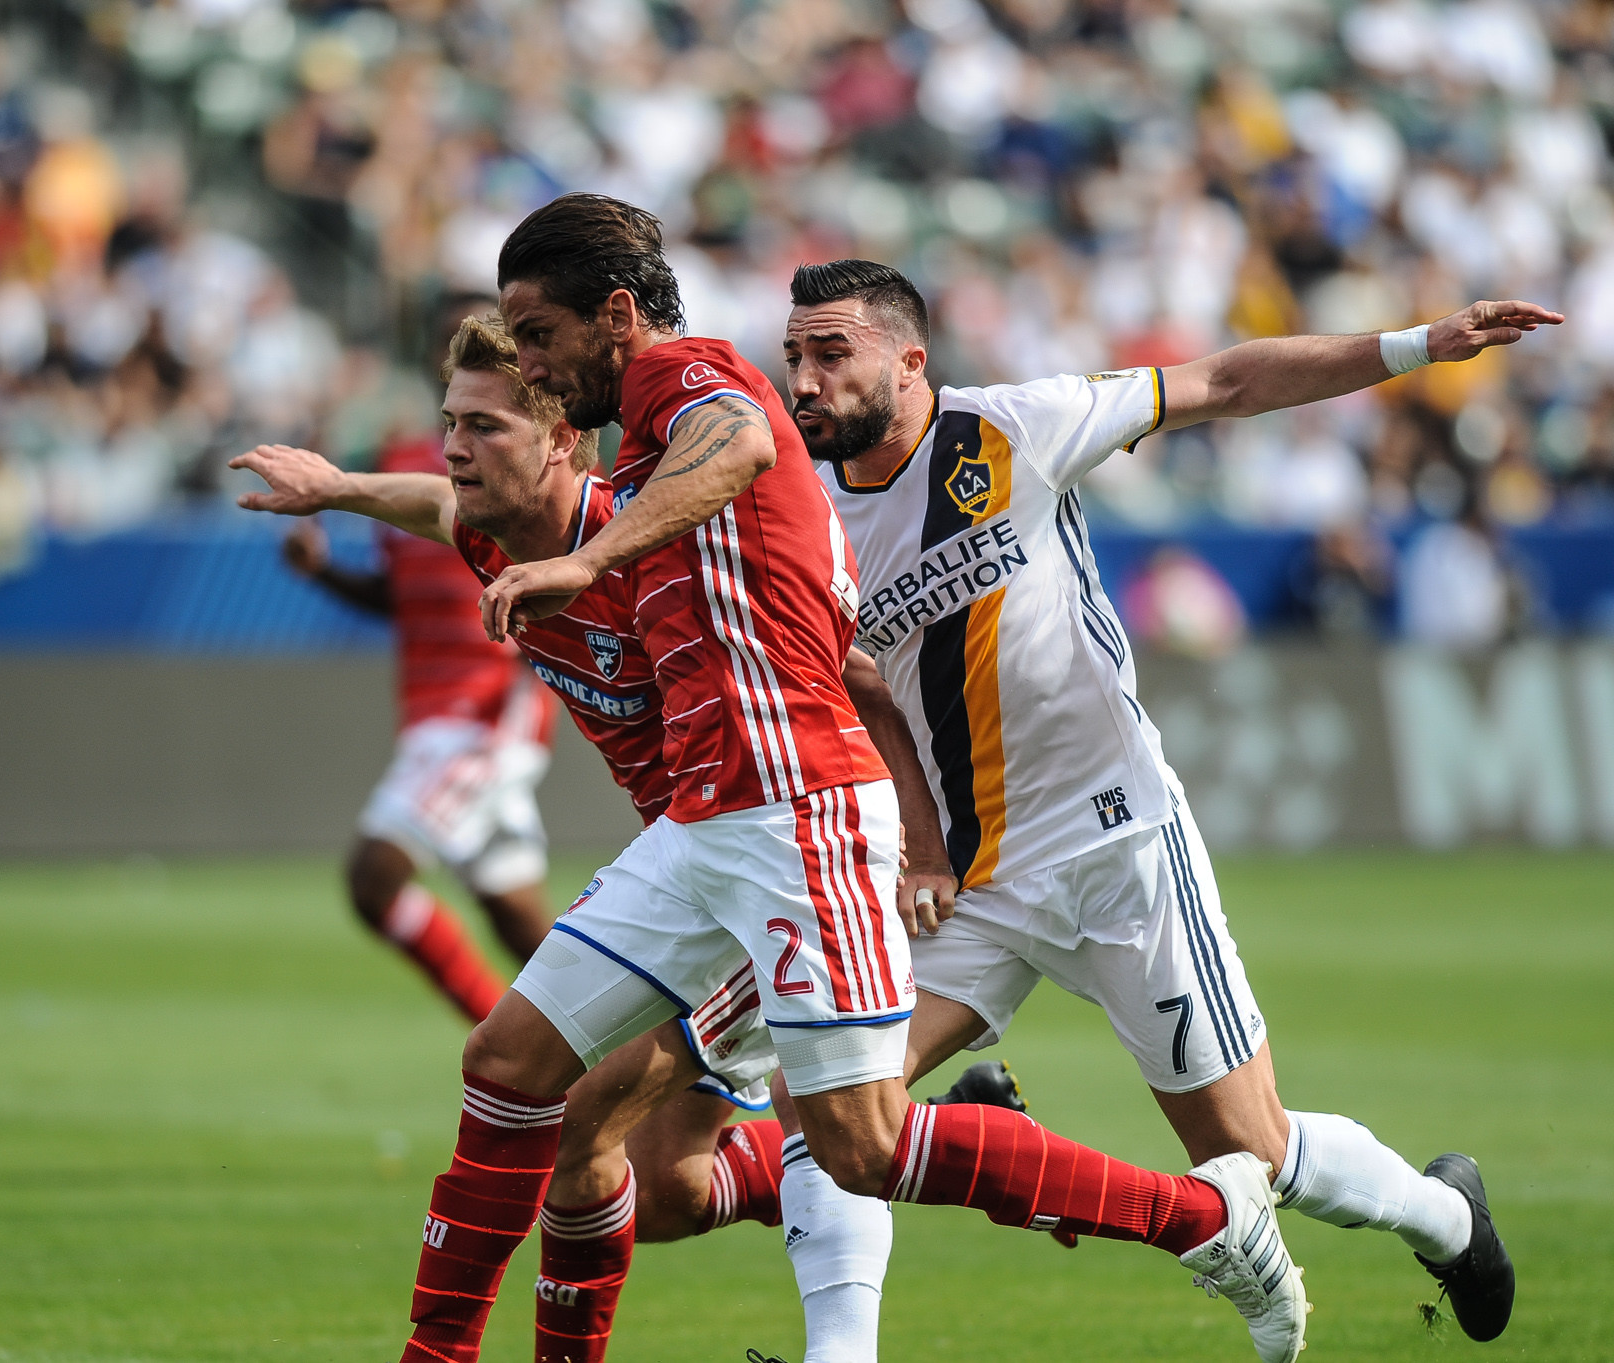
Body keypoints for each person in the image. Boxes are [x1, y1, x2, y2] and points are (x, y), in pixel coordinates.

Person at [399, 194, 1311, 1363]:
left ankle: (1202, 1214)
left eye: (536, 335)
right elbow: (473, 500)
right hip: (702, 824)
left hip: (800, 814)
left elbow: (738, 444)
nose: (527, 365)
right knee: (512, 1067)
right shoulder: (632, 435)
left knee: (857, 1148)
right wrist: (342, 486)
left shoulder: (690, 382)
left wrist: (589, 555)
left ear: (613, 316)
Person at [778, 258, 1549, 1345]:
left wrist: (1415, 344)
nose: (803, 381)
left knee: (1249, 1154)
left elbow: (1224, 383)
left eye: (829, 354)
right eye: (792, 358)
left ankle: (1444, 1213)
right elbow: (864, 689)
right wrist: (913, 839)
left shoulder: (1013, 429)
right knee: (825, 1101)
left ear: (908, 362)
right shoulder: (809, 518)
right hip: (972, 878)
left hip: (1115, 842)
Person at [236, 313, 1026, 1363]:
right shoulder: (499, 529)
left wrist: (923, 850)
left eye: (486, 424)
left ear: (562, 435)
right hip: (696, 866)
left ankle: (1166, 1213)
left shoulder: (645, 534)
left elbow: (853, 685)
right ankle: (980, 1133)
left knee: (588, 1127)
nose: (456, 450)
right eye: (449, 423)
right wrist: (335, 486)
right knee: (661, 1187)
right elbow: (430, 506)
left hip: (783, 850)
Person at [278, 430, 557, 1022]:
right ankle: (714, 1101)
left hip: (485, 719)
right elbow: (399, 593)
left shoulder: (528, 457)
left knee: (373, 878)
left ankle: (503, 1045)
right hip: (431, 718)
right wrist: (323, 571)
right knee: (536, 939)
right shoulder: (403, 460)